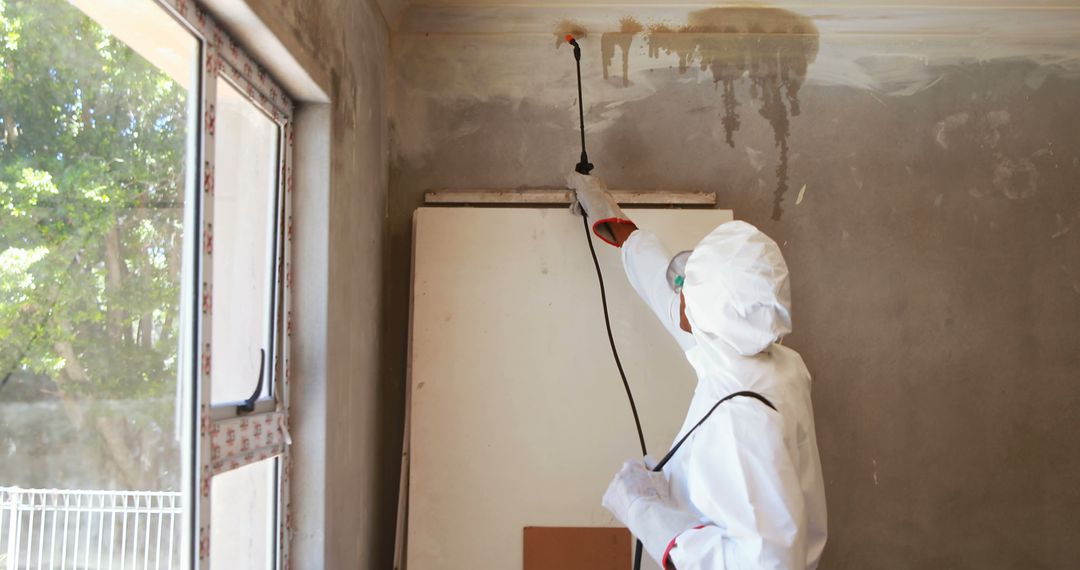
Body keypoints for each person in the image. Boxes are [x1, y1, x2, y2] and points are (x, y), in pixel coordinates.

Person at [568, 172, 827, 570]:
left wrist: (648, 513)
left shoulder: (741, 418)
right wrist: (619, 227)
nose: (680, 289)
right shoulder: (771, 361)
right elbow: (667, 296)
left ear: (709, 312)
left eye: (690, 287)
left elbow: (770, 564)